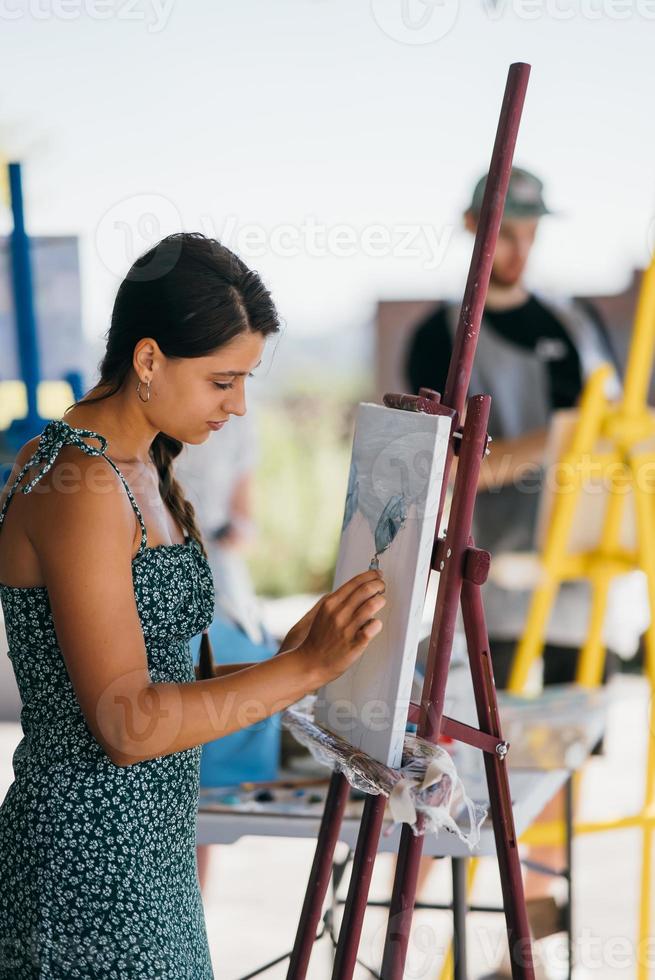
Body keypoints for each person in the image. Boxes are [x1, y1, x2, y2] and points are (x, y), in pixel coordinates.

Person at [0, 232, 387, 979]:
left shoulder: (143, 464)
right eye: (222, 381)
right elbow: (126, 724)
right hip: (86, 867)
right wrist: (302, 670)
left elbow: (162, 676)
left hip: (150, 854)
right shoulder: (78, 483)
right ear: (148, 360)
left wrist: (279, 662)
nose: (239, 405)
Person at [404, 169, 623, 976]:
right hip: (484, 593)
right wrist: (561, 440)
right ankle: (453, 947)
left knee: (554, 773)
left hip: (573, 592)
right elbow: (452, 461)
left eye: (531, 227)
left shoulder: (574, 325)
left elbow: (610, 434)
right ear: (472, 225)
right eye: (507, 226)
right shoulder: (439, 336)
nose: (520, 244)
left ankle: (523, 960)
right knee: (476, 776)